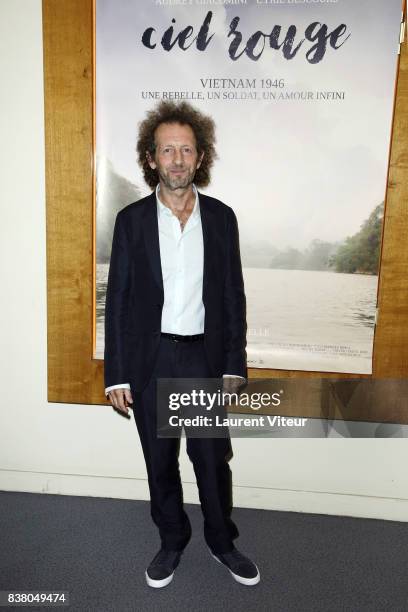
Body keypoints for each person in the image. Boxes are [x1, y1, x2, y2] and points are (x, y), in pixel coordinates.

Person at [104, 101, 260, 588]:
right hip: (150, 361)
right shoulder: (130, 221)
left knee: (212, 460)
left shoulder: (221, 218)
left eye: (186, 149)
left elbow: (233, 294)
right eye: (166, 149)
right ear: (151, 157)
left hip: (202, 359)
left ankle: (221, 541)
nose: (176, 159)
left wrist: (234, 362)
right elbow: (120, 303)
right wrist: (117, 374)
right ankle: (172, 540)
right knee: (160, 460)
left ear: (200, 157)